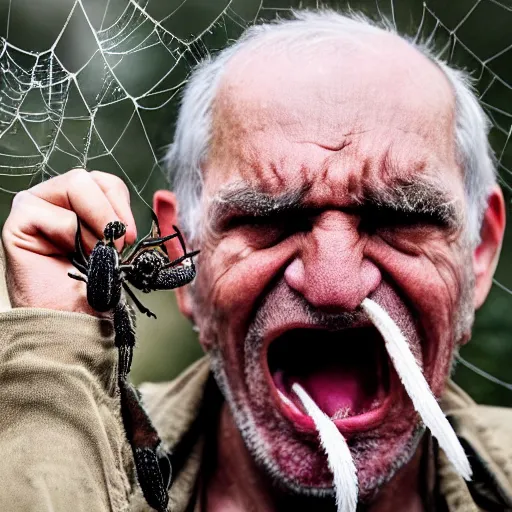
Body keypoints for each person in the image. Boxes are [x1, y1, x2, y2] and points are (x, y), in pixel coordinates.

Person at [0, 8, 511, 512]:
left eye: (400, 218)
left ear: (479, 253)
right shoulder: (60, 452)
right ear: (182, 254)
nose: (334, 287)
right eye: (268, 219)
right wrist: (53, 373)